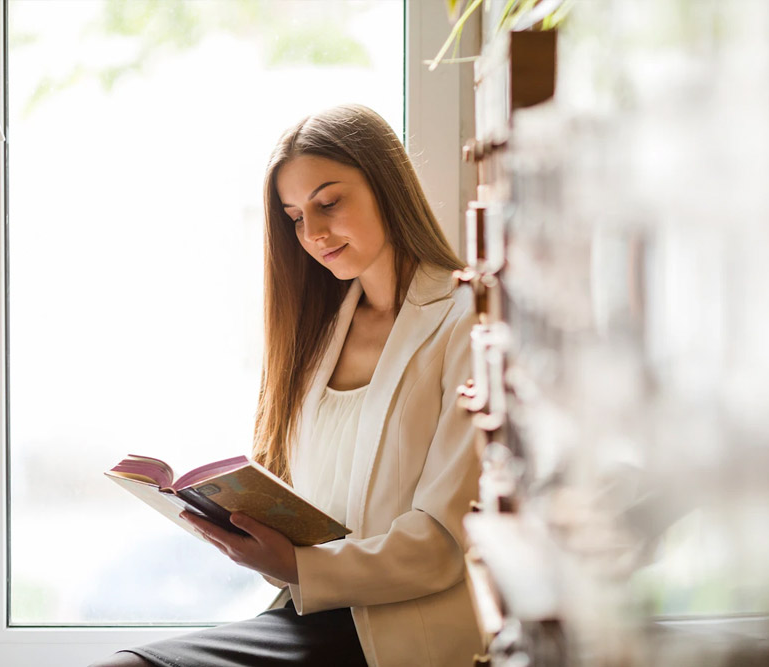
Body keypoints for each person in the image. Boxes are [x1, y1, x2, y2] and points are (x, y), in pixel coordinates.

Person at [91, 104, 482, 666]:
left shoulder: (464, 320)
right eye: (296, 216)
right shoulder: (319, 333)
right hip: (307, 613)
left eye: (329, 202)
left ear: (388, 186)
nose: (314, 232)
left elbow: (442, 545)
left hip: (397, 630)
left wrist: (297, 566)